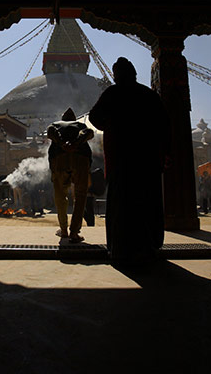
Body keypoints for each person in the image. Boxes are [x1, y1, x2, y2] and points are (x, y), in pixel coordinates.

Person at [89, 57, 171, 266]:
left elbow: (94, 118)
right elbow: (165, 126)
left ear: (117, 75)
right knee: (147, 202)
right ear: (134, 73)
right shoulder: (149, 95)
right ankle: (149, 248)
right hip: (148, 160)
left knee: (121, 204)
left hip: (120, 159)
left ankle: (120, 249)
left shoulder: (113, 93)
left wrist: (112, 124)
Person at [47, 107, 94, 243]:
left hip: (59, 159)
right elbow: (89, 133)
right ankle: (74, 232)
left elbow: (50, 132)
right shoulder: (80, 125)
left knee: (60, 196)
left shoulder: (55, 124)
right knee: (80, 196)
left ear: (62, 119)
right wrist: (76, 143)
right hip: (81, 159)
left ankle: (63, 230)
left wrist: (62, 144)